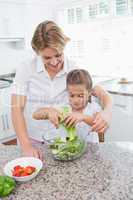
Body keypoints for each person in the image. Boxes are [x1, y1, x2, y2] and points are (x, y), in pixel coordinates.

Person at [11, 20, 112, 160]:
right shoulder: (25, 68)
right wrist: (26, 145)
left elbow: (100, 92)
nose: (54, 62)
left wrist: (106, 112)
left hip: (63, 140)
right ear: (37, 52)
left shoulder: (73, 67)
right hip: (32, 139)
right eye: (47, 57)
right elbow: (16, 110)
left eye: (58, 55)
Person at [33, 69, 102, 143]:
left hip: (90, 148)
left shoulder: (94, 108)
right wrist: (49, 111)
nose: (75, 100)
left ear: (89, 93)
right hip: (68, 149)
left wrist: (83, 117)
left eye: (80, 96)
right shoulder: (65, 108)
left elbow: (99, 124)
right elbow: (35, 115)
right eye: (72, 95)